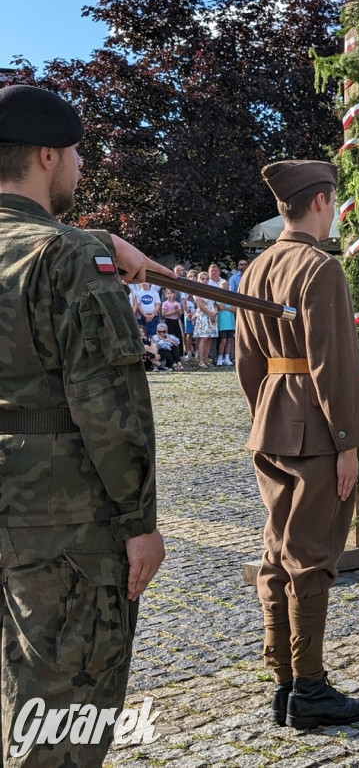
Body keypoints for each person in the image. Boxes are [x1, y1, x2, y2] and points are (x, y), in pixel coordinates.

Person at [0, 83, 166, 765]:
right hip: (64, 527)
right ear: (45, 156)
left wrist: (92, 237)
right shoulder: (69, 261)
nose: (79, 168)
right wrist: (141, 522)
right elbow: (111, 408)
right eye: (73, 155)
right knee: (62, 719)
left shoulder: (56, 250)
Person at [236, 159, 359, 729]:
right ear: (322, 202)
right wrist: (348, 441)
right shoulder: (319, 268)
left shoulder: (257, 268)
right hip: (318, 428)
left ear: (282, 206)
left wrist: (265, 412)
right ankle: (311, 690)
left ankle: (284, 682)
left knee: (277, 555)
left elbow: (247, 361)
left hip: (271, 419)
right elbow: (335, 363)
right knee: (312, 558)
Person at [191, 271, 219, 369]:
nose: (205, 281)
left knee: (209, 338)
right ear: (199, 280)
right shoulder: (197, 290)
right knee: (203, 338)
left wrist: (214, 313)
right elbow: (201, 305)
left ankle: (206, 359)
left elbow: (215, 303)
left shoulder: (211, 290)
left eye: (206, 279)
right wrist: (210, 314)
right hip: (203, 316)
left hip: (212, 316)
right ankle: (201, 360)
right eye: (203, 279)